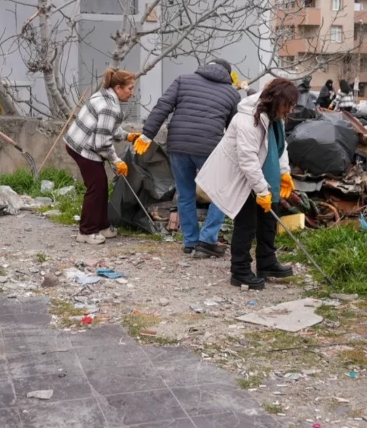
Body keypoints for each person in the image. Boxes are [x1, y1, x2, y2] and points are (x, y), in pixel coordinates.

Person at [197, 79, 299, 290]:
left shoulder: (275, 118)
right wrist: (261, 190)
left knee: (268, 220)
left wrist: (284, 173)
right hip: (242, 179)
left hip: (264, 176)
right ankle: (240, 271)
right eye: (287, 104)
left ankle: (267, 262)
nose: (289, 109)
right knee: (247, 224)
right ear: (275, 100)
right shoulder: (247, 120)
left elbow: (281, 148)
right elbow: (247, 159)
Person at [134, 59, 239, 256]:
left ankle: (190, 241)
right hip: (210, 147)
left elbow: (163, 106)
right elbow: (235, 127)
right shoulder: (232, 93)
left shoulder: (183, 80)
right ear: (227, 74)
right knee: (221, 194)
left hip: (178, 144)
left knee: (185, 194)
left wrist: (147, 134)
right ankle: (207, 241)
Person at [65, 68, 136, 245]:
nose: (132, 93)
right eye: (130, 89)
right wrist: (117, 161)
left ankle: (103, 226)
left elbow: (107, 127)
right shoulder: (109, 106)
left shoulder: (103, 95)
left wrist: (128, 136)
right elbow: (102, 143)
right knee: (96, 188)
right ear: (118, 87)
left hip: (76, 141)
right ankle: (86, 232)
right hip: (84, 148)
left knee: (101, 187)